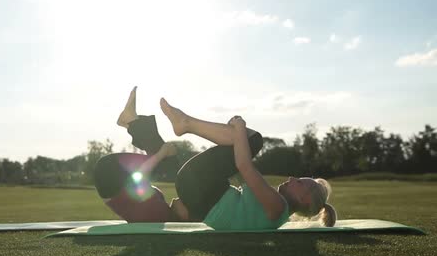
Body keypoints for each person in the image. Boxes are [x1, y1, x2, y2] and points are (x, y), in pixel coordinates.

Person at [159, 96, 338, 229]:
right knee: (244, 140)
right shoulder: (275, 210)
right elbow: (241, 174)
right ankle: (186, 123)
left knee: (254, 140)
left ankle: (186, 123)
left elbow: (243, 166)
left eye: (298, 182)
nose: (291, 178)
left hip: (202, 188)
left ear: (304, 199)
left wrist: (240, 127)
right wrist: (237, 135)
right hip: (199, 192)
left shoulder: (278, 206)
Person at [93, 87, 264, 223]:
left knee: (168, 162)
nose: (180, 199)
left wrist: (161, 154)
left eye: (186, 206)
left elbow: (135, 180)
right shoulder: (159, 208)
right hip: (112, 174)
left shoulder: (158, 216)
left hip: (111, 176)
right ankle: (131, 122)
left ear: (186, 217)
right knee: (170, 163)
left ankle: (134, 123)